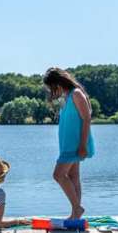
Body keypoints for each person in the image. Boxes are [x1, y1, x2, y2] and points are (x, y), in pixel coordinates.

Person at [43, 67, 95, 220]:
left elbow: (87, 119)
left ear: (58, 83)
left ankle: (77, 208)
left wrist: (82, 145)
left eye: (52, 87)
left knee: (58, 175)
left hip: (76, 145)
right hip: (68, 144)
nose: (52, 91)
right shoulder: (67, 96)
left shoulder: (76, 94)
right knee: (73, 176)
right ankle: (75, 214)